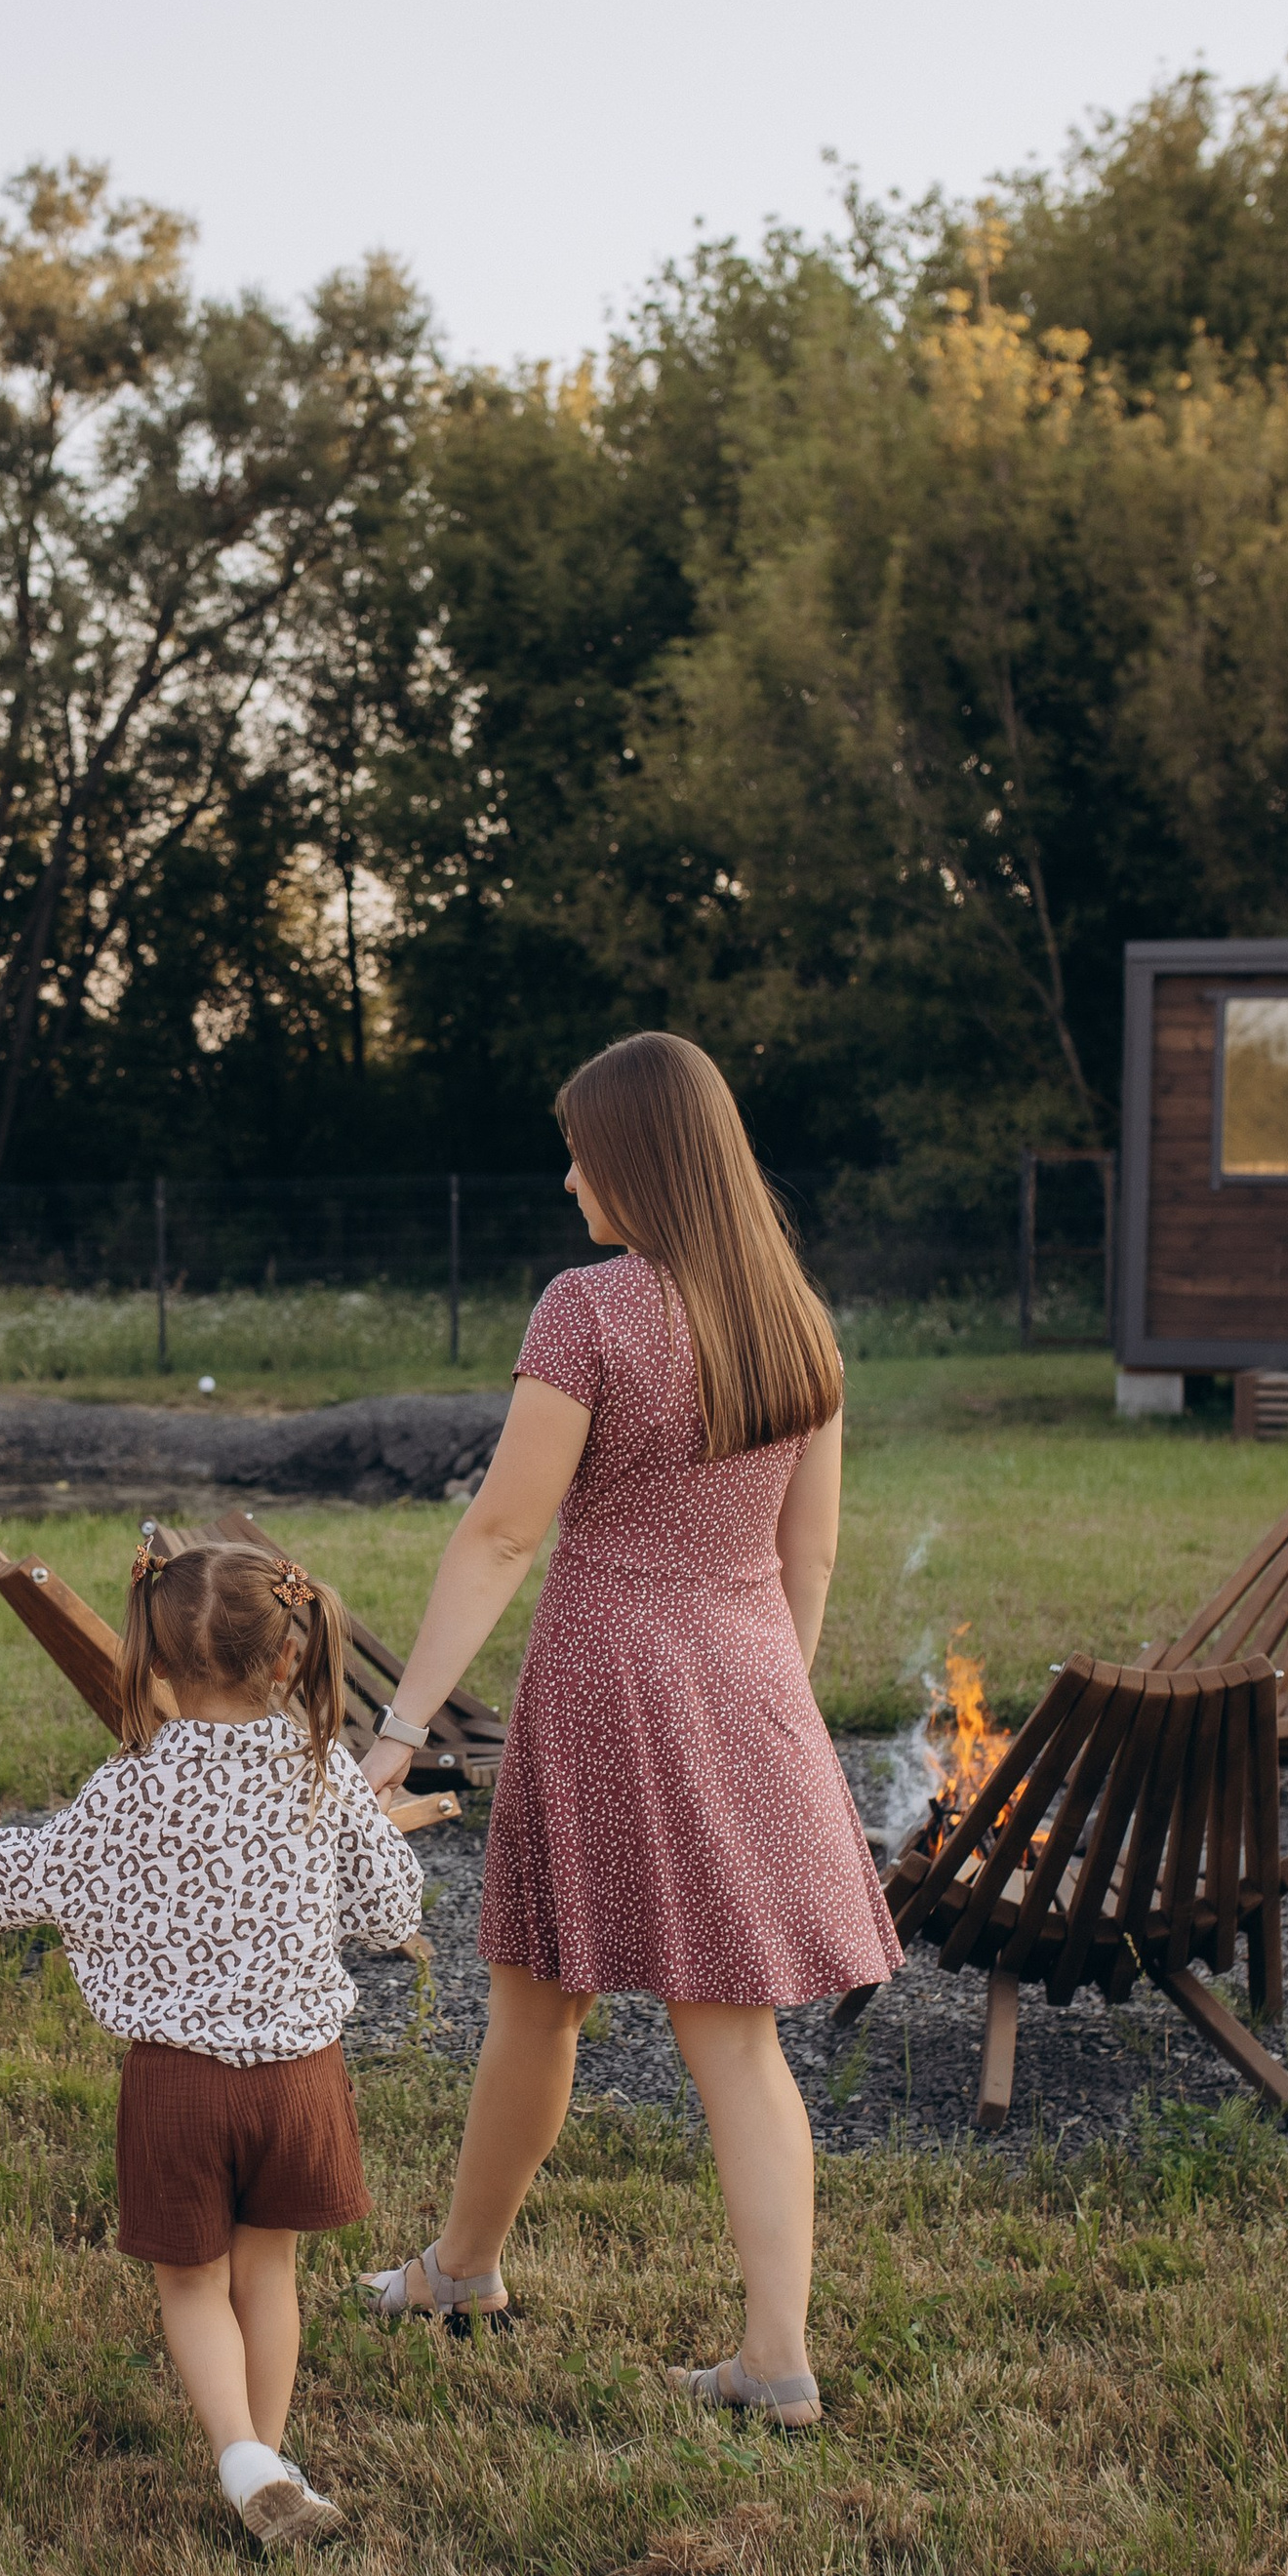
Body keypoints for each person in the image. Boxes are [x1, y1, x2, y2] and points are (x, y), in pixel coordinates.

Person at [358, 1031, 899, 2425]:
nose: (567, 1176)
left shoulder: (587, 1310)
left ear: (640, 1162)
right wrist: (768, 1707)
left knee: (540, 1998)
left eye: (583, 1152)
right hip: (751, 1681)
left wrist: (399, 1724)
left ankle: (464, 2269)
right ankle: (770, 2357)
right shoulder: (801, 1320)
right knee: (737, 2040)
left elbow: (502, 1533)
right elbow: (812, 1562)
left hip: (604, 1683)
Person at [0, 1533, 423, 2547]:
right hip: (299, 2079)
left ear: (149, 1661)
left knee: (191, 2281)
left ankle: (240, 2460)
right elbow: (388, 1911)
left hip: (177, 2085)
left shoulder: (130, 1780)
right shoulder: (322, 1770)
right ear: (290, 1654)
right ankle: (269, 2463)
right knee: (267, 2269)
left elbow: (31, 1888)